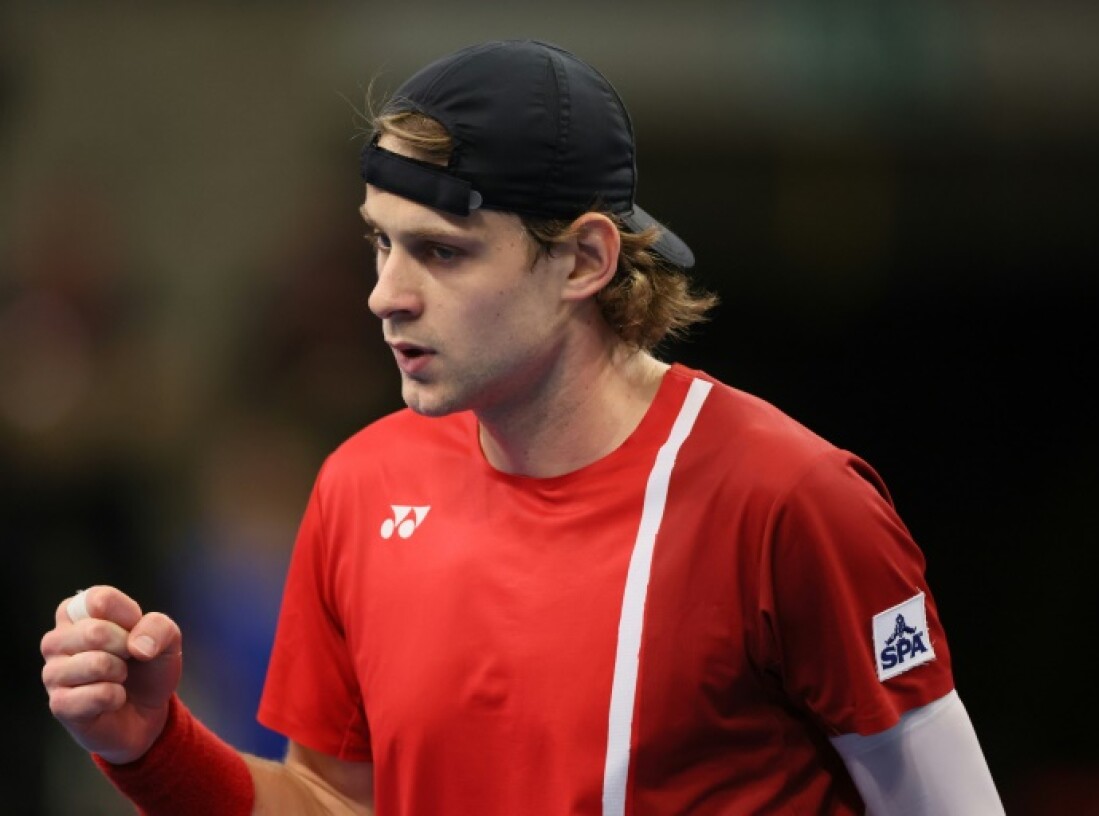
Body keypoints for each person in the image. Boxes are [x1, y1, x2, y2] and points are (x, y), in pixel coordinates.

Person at [40, 39, 1005, 814]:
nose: (385, 295)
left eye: (440, 252)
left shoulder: (791, 499)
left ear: (584, 259)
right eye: (380, 240)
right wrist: (151, 746)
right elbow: (333, 801)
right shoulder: (361, 486)